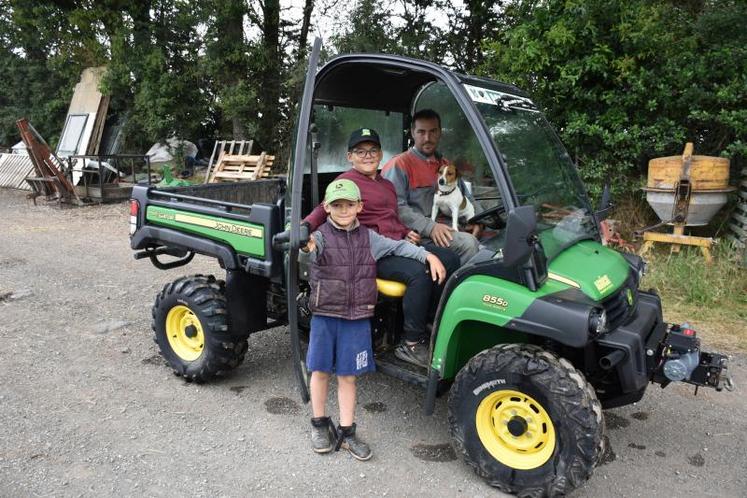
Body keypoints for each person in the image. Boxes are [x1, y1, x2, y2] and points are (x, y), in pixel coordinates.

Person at [303, 179, 446, 460]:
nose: (343, 210)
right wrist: (303, 242)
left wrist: (427, 254)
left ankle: (346, 432)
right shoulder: (320, 236)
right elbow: (308, 248)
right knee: (320, 371)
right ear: (327, 208)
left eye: (349, 205)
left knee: (348, 376)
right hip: (325, 316)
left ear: (359, 206)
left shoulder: (370, 238)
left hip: (356, 318)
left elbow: (398, 248)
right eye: (336, 205)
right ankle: (319, 424)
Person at [304, 128, 460, 368]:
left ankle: (430, 321)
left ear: (380, 154)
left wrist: (405, 231)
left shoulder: (386, 184)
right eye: (360, 151)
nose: (368, 156)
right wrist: (303, 228)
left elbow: (391, 216)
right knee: (419, 273)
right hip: (371, 250)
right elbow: (321, 209)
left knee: (450, 259)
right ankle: (411, 343)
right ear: (350, 156)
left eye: (373, 150)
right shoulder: (345, 182)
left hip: (397, 243)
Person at [382, 109, 481, 265]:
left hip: (450, 227)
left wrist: (479, 219)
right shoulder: (399, 165)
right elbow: (396, 208)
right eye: (421, 132)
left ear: (440, 133)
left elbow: (466, 197)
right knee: (469, 244)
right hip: (419, 234)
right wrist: (431, 227)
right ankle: (452, 289)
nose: (427, 138)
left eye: (433, 131)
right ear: (412, 133)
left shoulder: (446, 165)